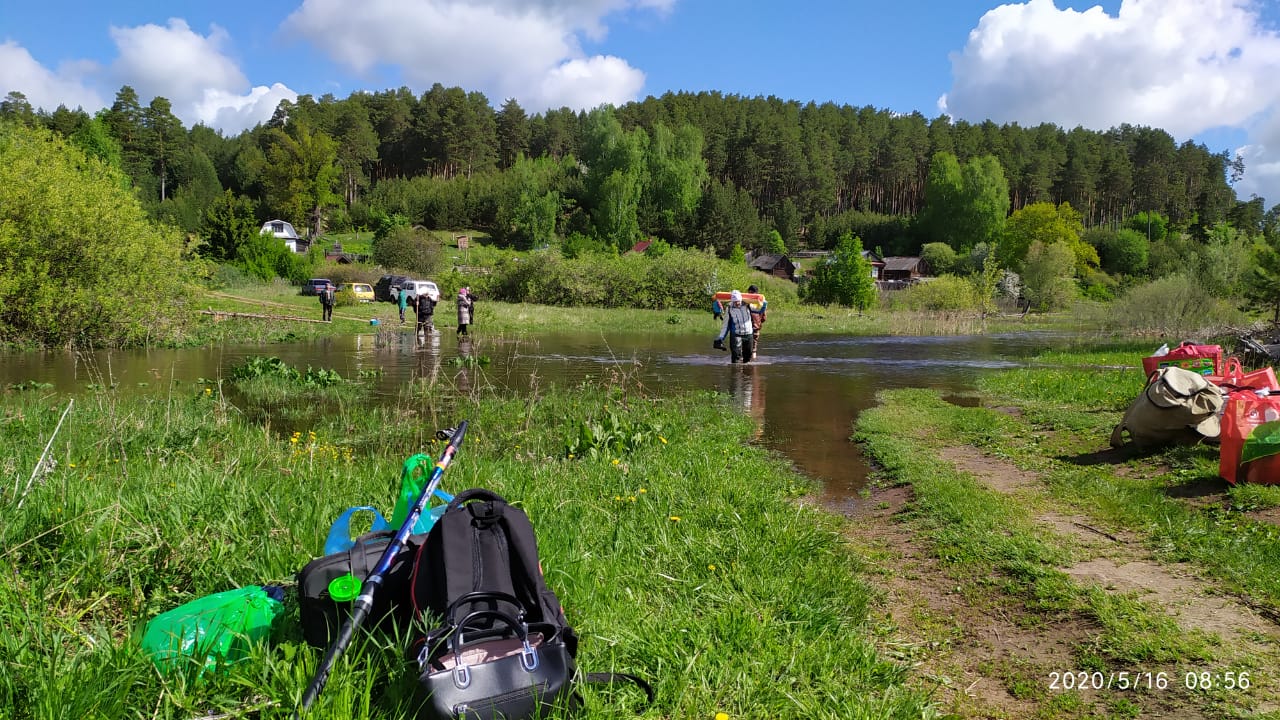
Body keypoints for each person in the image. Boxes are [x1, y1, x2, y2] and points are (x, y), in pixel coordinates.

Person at [713, 290, 754, 363]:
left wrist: (763, 304)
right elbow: (725, 325)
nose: (737, 303)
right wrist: (721, 337)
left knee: (748, 357)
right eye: (735, 301)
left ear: (741, 299)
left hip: (748, 334)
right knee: (736, 357)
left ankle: (747, 373)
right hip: (736, 334)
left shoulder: (748, 305)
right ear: (732, 301)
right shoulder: (729, 309)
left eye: (738, 301)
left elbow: (759, 310)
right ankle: (736, 373)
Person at [746, 284, 767, 361]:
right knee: (754, 347)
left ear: (750, 291)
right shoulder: (761, 303)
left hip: (747, 327)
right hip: (756, 327)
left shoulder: (746, 302)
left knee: (745, 345)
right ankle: (754, 361)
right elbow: (764, 318)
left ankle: (745, 361)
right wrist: (759, 322)